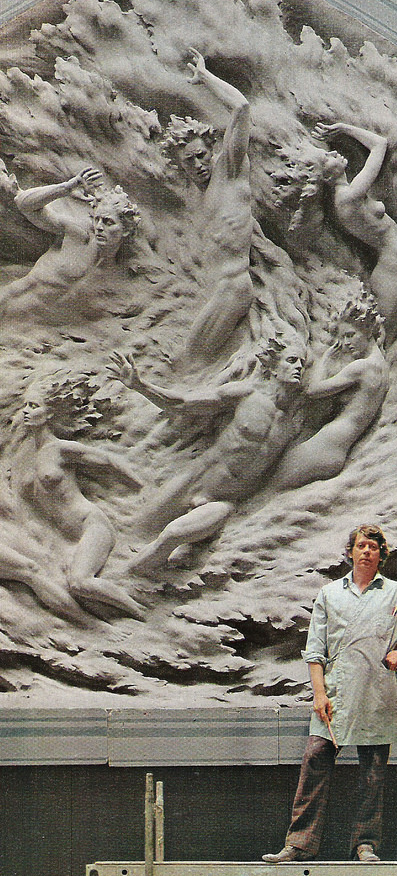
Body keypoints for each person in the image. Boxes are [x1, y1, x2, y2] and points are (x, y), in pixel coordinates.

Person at [263, 524, 397, 864]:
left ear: (382, 554)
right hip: (335, 693)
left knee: (373, 772)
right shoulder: (329, 594)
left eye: (374, 547)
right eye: (361, 545)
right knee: (315, 760)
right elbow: (315, 650)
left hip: (377, 693)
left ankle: (365, 845)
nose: (367, 551)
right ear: (350, 552)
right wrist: (319, 695)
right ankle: (300, 844)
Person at [108, 337, 306, 574]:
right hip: (195, 480)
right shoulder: (246, 394)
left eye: (302, 364)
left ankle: (123, 580)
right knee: (133, 531)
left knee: (170, 537)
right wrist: (140, 385)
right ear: (273, 367)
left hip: (222, 502)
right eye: (292, 360)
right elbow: (182, 403)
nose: (299, 368)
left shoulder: (291, 426)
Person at [11, 381, 145, 619]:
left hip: (91, 526)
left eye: (34, 406)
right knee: (73, 591)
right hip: (66, 541)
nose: (26, 411)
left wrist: (142, 488)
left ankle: (143, 615)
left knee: (80, 583)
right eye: (25, 406)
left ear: (50, 412)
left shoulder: (59, 449)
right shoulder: (25, 452)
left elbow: (110, 462)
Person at [161, 47, 254, 363]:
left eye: (202, 155)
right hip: (211, 292)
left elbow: (241, 108)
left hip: (234, 288)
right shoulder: (193, 198)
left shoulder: (230, 169)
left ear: (212, 149)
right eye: (189, 160)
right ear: (180, 166)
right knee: (188, 358)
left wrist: (204, 76)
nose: (199, 164)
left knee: (190, 359)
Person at [271, 294, 389, 490]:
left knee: (271, 490)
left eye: (350, 335)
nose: (344, 344)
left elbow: (312, 390)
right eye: (342, 337)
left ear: (368, 331)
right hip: (338, 449)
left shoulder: (361, 367)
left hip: (324, 446)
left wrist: (324, 359)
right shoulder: (381, 364)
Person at [309, 122, 397, 342]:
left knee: (388, 338)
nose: (334, 153)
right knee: (385, 340)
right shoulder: (349, 196)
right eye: (327, 157)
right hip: (392, 270)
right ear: (327, 177)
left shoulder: (345, 197)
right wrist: (344, 129)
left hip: (395, 266)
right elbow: (379, 144)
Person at [0, 164, 140, 319]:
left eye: (108, 222)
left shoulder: (120, 270)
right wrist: (67, 187)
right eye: (97, 219)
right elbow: (23, 203)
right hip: (6, 306)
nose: (99, 227)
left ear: (126, 229)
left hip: (37, 331)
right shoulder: (79, 235)